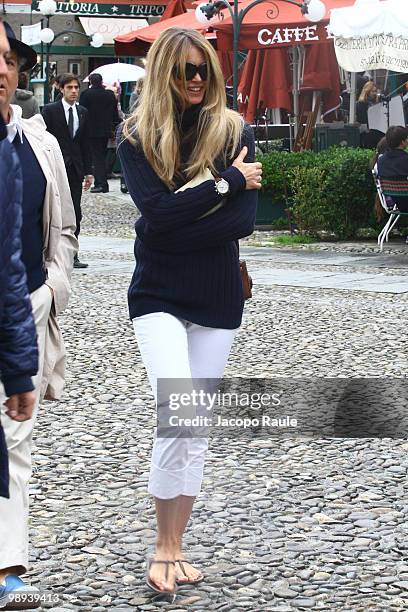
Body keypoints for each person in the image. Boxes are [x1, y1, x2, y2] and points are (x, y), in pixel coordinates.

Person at [117, 27, 262, 594]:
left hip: (219, 295)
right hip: (157, 294)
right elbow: (156, 217)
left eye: (203, 69)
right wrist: (227, 181)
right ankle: (161, 545)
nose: (196, 79)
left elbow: (242, 224)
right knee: (177, 406)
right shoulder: (137, 137)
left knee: (195, 424)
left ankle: (176, 544)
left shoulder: (236, 129)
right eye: (184, 70)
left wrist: (183, 215)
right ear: (164, 75)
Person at [0, 22, 77, 604]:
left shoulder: (37, 146)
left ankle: (7, 570)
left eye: (8, 59)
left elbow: (65, 228)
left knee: (14, 444)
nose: (2, 69)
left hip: (22, 310)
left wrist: (51, 287)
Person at [42, 73, 93, 269]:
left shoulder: (83, 112)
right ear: (61, 89)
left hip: (75, 169)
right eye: (69, 87)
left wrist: (89, 171)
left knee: (75, 212)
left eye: (76, 87)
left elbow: (85, 143)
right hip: (54, 166)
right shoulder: (50, 111)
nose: (73, 91)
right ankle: (50, 251)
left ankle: (72, 253)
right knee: (52, 210)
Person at [79, 72, 120, 193]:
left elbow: (82, 112)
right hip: (106, 130)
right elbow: (115, 113)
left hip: (91, 130)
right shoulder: (109, 95)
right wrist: (114, 128)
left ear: (91, 82)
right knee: (100, 156)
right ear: (101, 81)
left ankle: (101, 184)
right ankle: (100, 182)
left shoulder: (86, 94)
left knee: (97, 158)